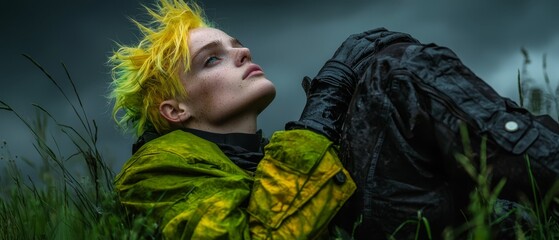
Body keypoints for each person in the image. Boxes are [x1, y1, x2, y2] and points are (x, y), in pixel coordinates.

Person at [109, 0, 559, 239]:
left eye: (236, 44)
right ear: (175, 110)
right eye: (212, 60)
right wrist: (323, 107)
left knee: (385, 71)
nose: (242, 52)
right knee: (393, 73)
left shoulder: (257, 159)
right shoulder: (155, 170)